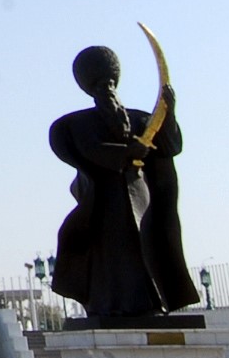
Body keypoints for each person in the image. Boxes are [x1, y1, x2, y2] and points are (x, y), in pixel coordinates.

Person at [48, 44, 196, 320]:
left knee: (146, 248)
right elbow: (90, 150)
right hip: (104, 203)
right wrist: (126, 153)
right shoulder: (79, 124)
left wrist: (169, 113)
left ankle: (153, 304)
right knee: (113, 257)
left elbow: (170, 147)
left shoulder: (140, 118)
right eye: (99, 83)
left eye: (110, 82)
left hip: (140, 197)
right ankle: (109, 306)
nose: (107, 88)